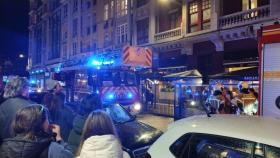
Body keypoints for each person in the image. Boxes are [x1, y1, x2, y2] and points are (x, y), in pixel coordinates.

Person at [0, 104, 73, 158]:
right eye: (47, 119)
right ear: (40, 123)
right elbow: (69, 155)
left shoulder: (5, 146)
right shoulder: (53, 149)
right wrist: (59, 138)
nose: (49, 122)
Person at [0, 76, 33, 140]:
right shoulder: (31, 106)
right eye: (27, 88)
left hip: (5, 146)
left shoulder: (2, 106)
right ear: (22, 89)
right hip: (25, 146)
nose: (28, 90)